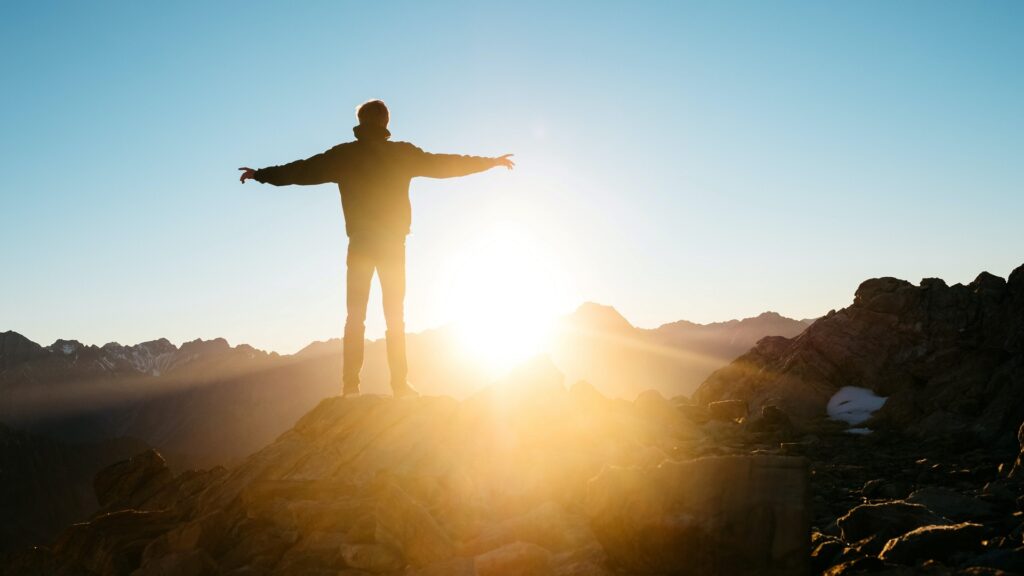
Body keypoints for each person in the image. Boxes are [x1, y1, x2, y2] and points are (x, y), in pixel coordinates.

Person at [240, 99, 514, 398]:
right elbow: (447, 164)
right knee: (395, 315)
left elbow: (301, 170)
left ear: (361, 121)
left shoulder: (344, 155)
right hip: (393, 244)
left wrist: (261, 174)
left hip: (360, 244)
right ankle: (400, 385)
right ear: (386, 122)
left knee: (355, 316)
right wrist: (490, 162)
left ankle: (350, 387)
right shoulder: (402, 154)